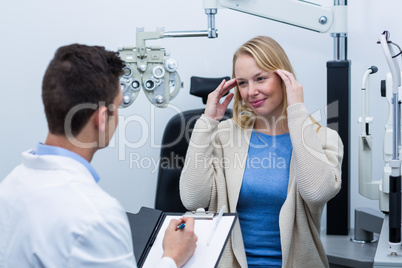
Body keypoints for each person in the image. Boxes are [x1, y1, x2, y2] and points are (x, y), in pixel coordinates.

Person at [0, 44, 197, 268]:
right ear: (102, 118)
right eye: (119, 106)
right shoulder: (95, 216)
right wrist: (172, 257)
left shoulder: (9, 187)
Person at [180, 36, 343, 268]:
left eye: (260, 79)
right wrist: (207, 121)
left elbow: (317, 192)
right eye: (243, 83)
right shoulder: (224, 135)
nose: (251, 92)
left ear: (283, 78)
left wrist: (297, 110)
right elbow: (193, 199)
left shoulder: (323, 138)